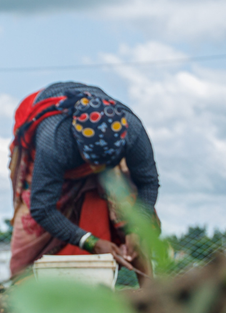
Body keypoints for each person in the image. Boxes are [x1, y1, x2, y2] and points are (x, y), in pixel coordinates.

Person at [8, 82, 158, 279]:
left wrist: (137, 229)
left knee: (130, 206)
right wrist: (91, 242)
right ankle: (26, 294)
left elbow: (148, 182)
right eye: (93, 163)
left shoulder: (132, 131)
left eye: (104, 163)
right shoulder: (54, 141)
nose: (96, 170)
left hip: (106, 159)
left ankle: (150, 292)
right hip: (53, 154)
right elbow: (42, 208)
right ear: (77, 146)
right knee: (30, 235)